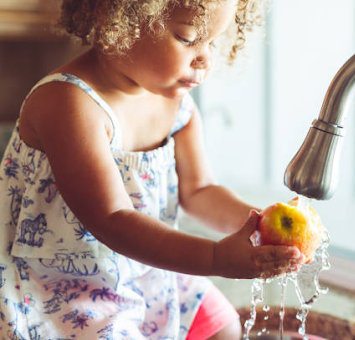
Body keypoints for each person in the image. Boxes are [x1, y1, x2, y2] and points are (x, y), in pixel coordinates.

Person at [0, 0, 306, 338]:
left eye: (213, 42)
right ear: (116, 17)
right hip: (61, 287)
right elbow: (112, 219)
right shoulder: (68, 102)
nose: (206, 59)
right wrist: (216, 258)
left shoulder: (177, 106)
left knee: (224, 327)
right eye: (188, 38)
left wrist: (259, 225)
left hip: (145, 269)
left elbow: (200, 190)